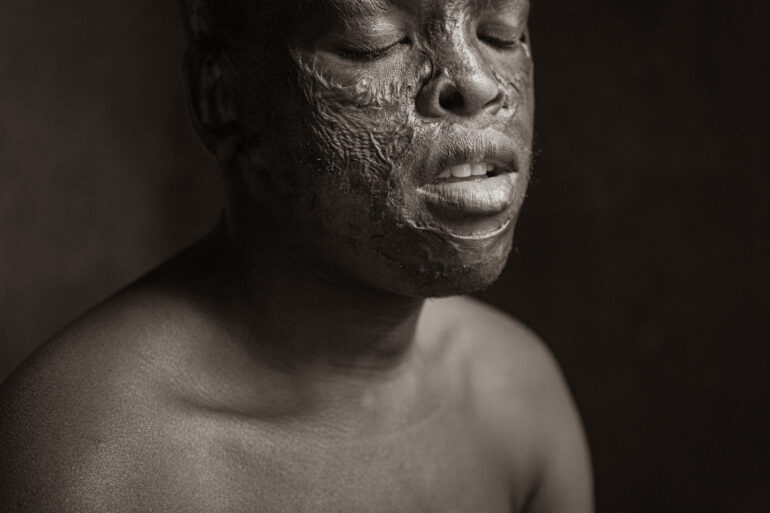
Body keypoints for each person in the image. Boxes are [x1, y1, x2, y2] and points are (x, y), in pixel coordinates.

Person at [0, 0, 592, 511]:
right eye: (371, 43)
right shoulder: (91, 463)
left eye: (502, 34)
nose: (479, 82)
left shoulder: (517, 396)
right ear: (221, 96)